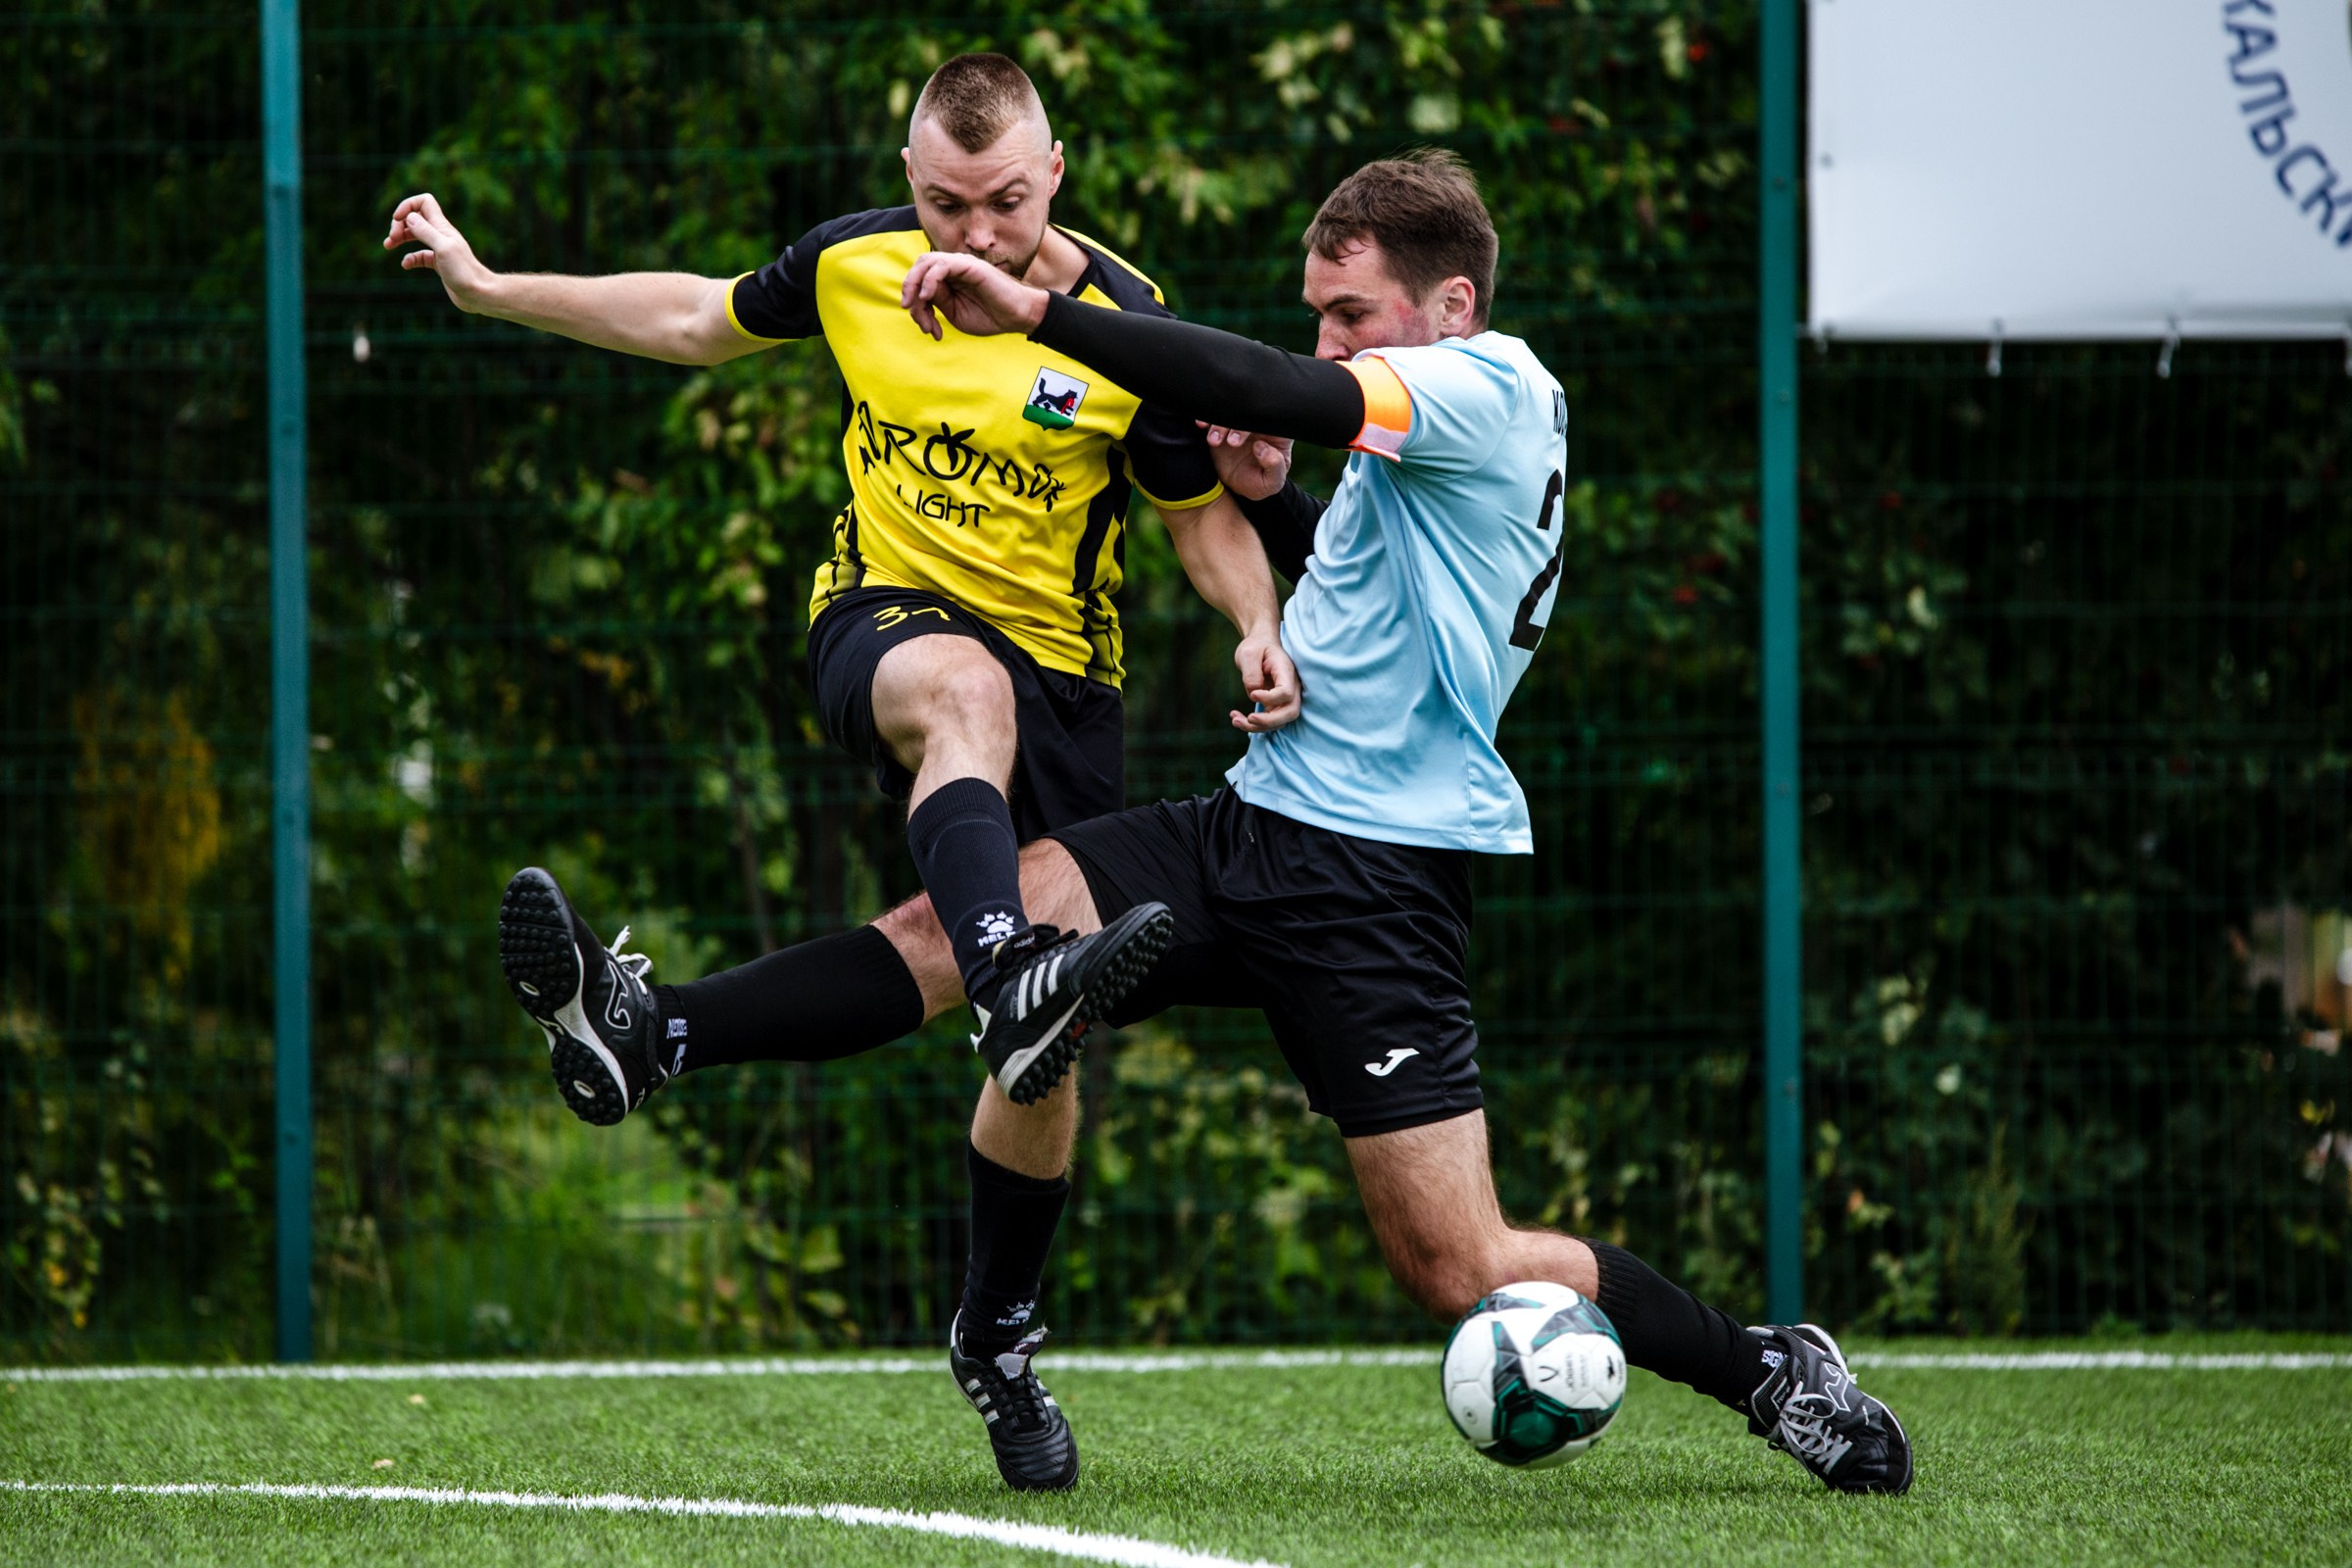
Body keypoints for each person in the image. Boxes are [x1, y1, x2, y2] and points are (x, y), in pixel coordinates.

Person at [889, 147, 1913, 1494]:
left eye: (1350, 316)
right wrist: (1270, 503)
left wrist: (1045, 314)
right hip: (1260, 826)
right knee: (977, 920)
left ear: (1452, 306)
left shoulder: (1490, 384)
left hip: (1380, 881)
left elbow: (1269, 388)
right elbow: (1377, 591)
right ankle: (656, 1030)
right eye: (1317, 315)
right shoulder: (1433, 413)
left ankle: (1769, 1369)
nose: (1328, 343)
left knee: (1459, 1266)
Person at [394, 53, 1296, 1494]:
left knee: (1012, 1028)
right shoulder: (860, 262)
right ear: (910, 177)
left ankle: (669, 1047)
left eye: (1004, 204)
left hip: (1072, 693)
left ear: (1055, 176)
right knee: (964, 705)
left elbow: (1201, 524)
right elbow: (694, 316)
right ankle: (1014, 961)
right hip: (884, 627)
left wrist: (1256, 626)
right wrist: (492, 286)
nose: (972, 238)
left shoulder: (1128, 327)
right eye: (944, 202)